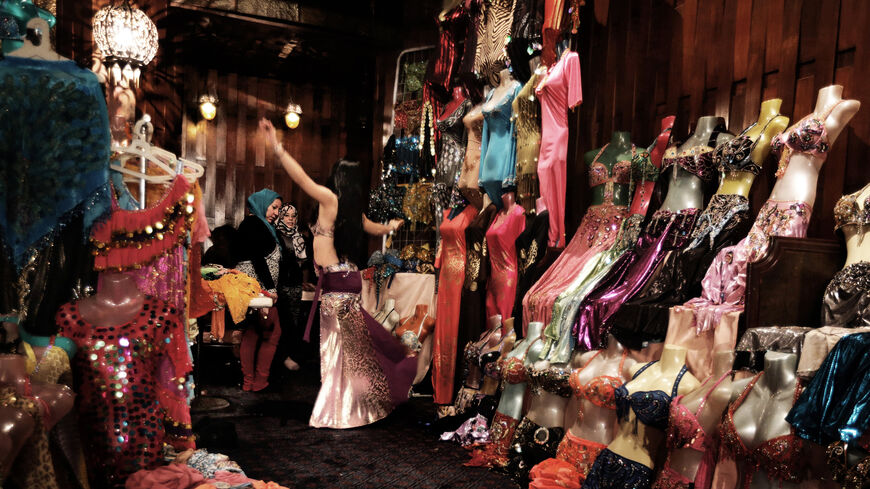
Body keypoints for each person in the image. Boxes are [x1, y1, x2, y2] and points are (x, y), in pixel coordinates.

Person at [259, 118, 416, 429]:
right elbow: (374, 227)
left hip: (335, 288)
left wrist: (277, 148)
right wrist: (393, 226)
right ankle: (361, 402)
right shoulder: (349, 211)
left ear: (338, 178)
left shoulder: (330, 201)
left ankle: (340, 410)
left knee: (338, 355)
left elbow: (302, 179)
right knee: (353, 353)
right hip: (345, 283)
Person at [234, 189, 284, 392]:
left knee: (252, 333)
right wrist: (270, 288)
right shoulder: (254, 224)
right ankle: (259, 381)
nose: (276, 213)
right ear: (263, 204)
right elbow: (256, 258)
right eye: (274, 207)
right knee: (273, 332)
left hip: (255, 289)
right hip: (257, 289)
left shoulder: (260, 225)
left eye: (278, 209)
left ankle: (250, 382)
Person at [274, 203, 309, 371]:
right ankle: (280, 357)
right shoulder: (275, 235)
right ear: (281, 216)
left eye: (293, 216)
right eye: (287, 215)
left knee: (293, 323)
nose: (290, 219)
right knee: (281, 323)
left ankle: (286, 355)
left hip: (295, 285)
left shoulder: (299, 237)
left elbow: (303, 263)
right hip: (279, 285)